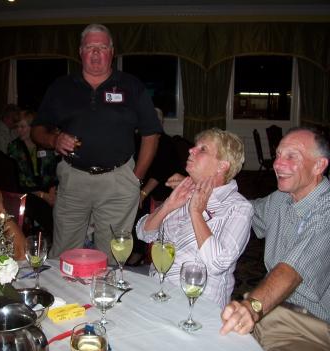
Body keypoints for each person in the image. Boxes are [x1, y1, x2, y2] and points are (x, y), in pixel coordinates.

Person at [31, 23, 161, 263]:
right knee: (64, 252)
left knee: (112, 256)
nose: (96, 53)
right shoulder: (62, 87)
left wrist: (136, 177)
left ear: (112, 52)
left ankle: (106, 299)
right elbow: (37, 130)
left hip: (118, 180)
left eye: (102, 47)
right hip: (73, 179)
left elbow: (151, 134)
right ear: (80, 52)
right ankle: (65, 298)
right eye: (90, 47)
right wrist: (53, 139)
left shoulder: (131, 86)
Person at [220, 127, 330, 351]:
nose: (278, 165)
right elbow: (246, 210)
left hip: (311, 327)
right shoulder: (281, 199)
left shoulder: (326, 211)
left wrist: (253, 307)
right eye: (278, 155)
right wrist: (209, 190)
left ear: (319, 166)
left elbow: (290, 271)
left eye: (291, 157)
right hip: (272, 312)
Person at [136, 128, 253, 308]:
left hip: (198, 305)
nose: (191, 150)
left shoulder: (238, 208)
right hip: (158, 293)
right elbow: (143, 233)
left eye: (202, 149)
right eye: (194, 147)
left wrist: (196, 213)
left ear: (222, 165)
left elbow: (218, 263)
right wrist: (168, 205)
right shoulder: (186, 191)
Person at [128, 108, 187, 266]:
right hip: (142, 184)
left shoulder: (165, 142)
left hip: (166, 187)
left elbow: (160, 173)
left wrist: (142, 193)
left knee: (141, 203)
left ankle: (139, 251)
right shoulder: (137, 139)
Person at [7, 110, 58, 236]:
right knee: (45, 211)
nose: (19, 130)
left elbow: (53, 169)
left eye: (23, 126)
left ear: (33, 128)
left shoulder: (44, 145)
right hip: (27, 192)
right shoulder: (14, 147)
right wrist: (44, 196)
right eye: (17, 127)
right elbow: (22, 180)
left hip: (48, 190)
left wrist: (52, 190)